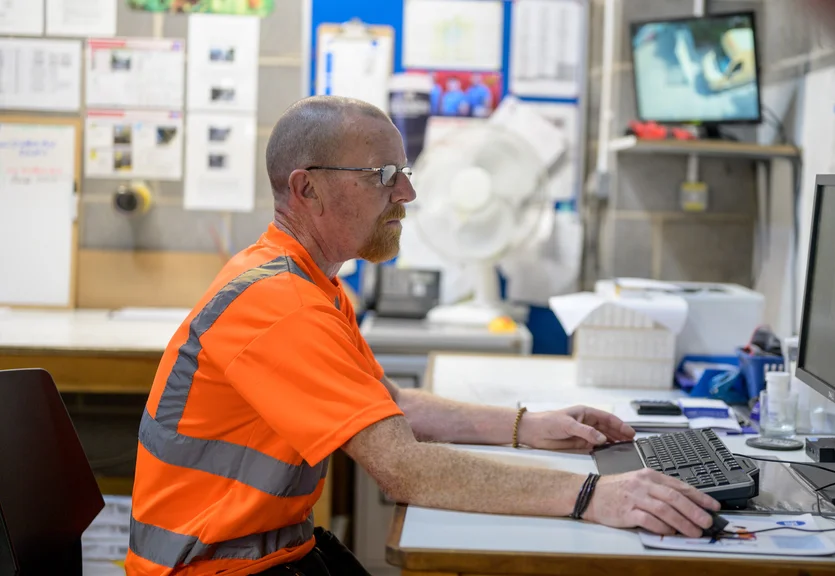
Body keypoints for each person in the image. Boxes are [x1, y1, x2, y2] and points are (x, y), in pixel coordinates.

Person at [125, 95, 719, 576]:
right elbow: (404, 469)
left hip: (266, 553)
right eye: (384, 175)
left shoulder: (308, 281)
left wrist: (525, 425)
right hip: (212, 570)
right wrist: (593, 496)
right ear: (308, 189)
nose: (407, 194)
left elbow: (390, 405)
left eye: (403, 173)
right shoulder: (282, 304)